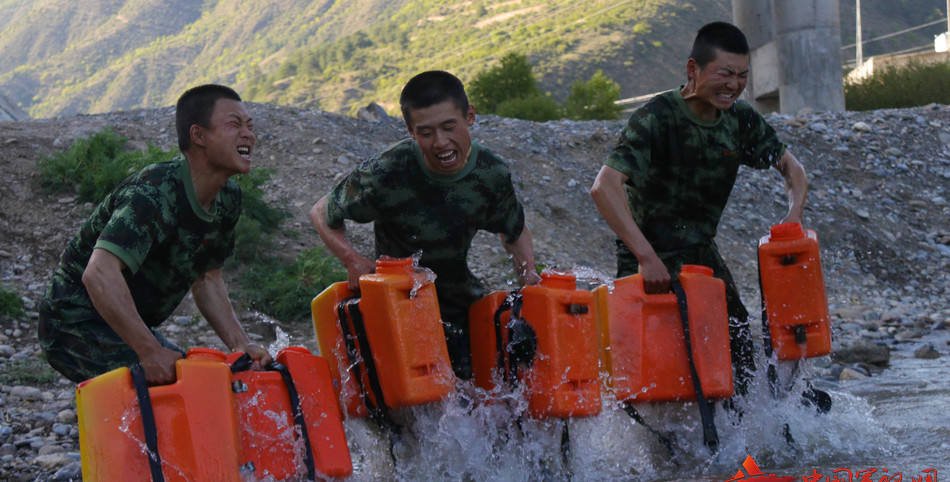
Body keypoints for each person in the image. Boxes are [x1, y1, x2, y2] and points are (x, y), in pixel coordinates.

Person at [590, 22, 808, 396]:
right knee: (655, 381)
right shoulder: (656, 118)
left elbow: (793, 169)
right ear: (693, 69)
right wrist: (646, 256)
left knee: (741, 361)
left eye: (742, 76)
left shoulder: (740, 120)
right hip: (645, 264)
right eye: (725, 73)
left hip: (703, 259)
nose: (734, 85)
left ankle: (745, 454)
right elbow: (604, 188)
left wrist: (793, 215)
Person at [311, 70, 540, 380]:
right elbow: (321, 211)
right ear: (410, 130)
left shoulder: (491, 173)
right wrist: (353, 260)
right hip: (399, 310)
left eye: (449, 127)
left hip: (463, 312)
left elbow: (513, 229)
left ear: (469, 116)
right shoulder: (388, 171)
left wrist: (529, 281)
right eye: (426, 132)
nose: (441, 142)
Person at [38, 84, 270, 386]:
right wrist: (149, 352)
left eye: (250, 126)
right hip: (72, 319)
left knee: (202, 381)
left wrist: (240, 344)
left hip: (121, 325)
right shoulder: (154, 192)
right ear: (198, 136)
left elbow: (207, 279)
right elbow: (98, 274)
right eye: (235, 125)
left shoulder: (228, 199)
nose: (248, 135)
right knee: (176, 386)